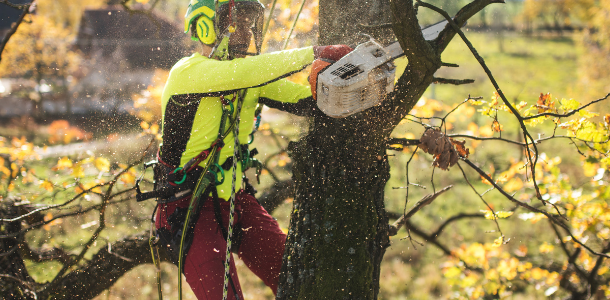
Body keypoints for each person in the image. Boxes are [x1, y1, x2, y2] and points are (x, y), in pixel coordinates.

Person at [151, 0, 352, 299]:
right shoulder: (188, 73)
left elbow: (309, 101)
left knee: (298, 283)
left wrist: (348, 82)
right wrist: (314, 53)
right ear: (207, 26)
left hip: (235, 200)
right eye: (235, 23)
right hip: (188, 208)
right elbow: (245, 73)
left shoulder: (250, 77)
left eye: (248, 24)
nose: (244, 32)